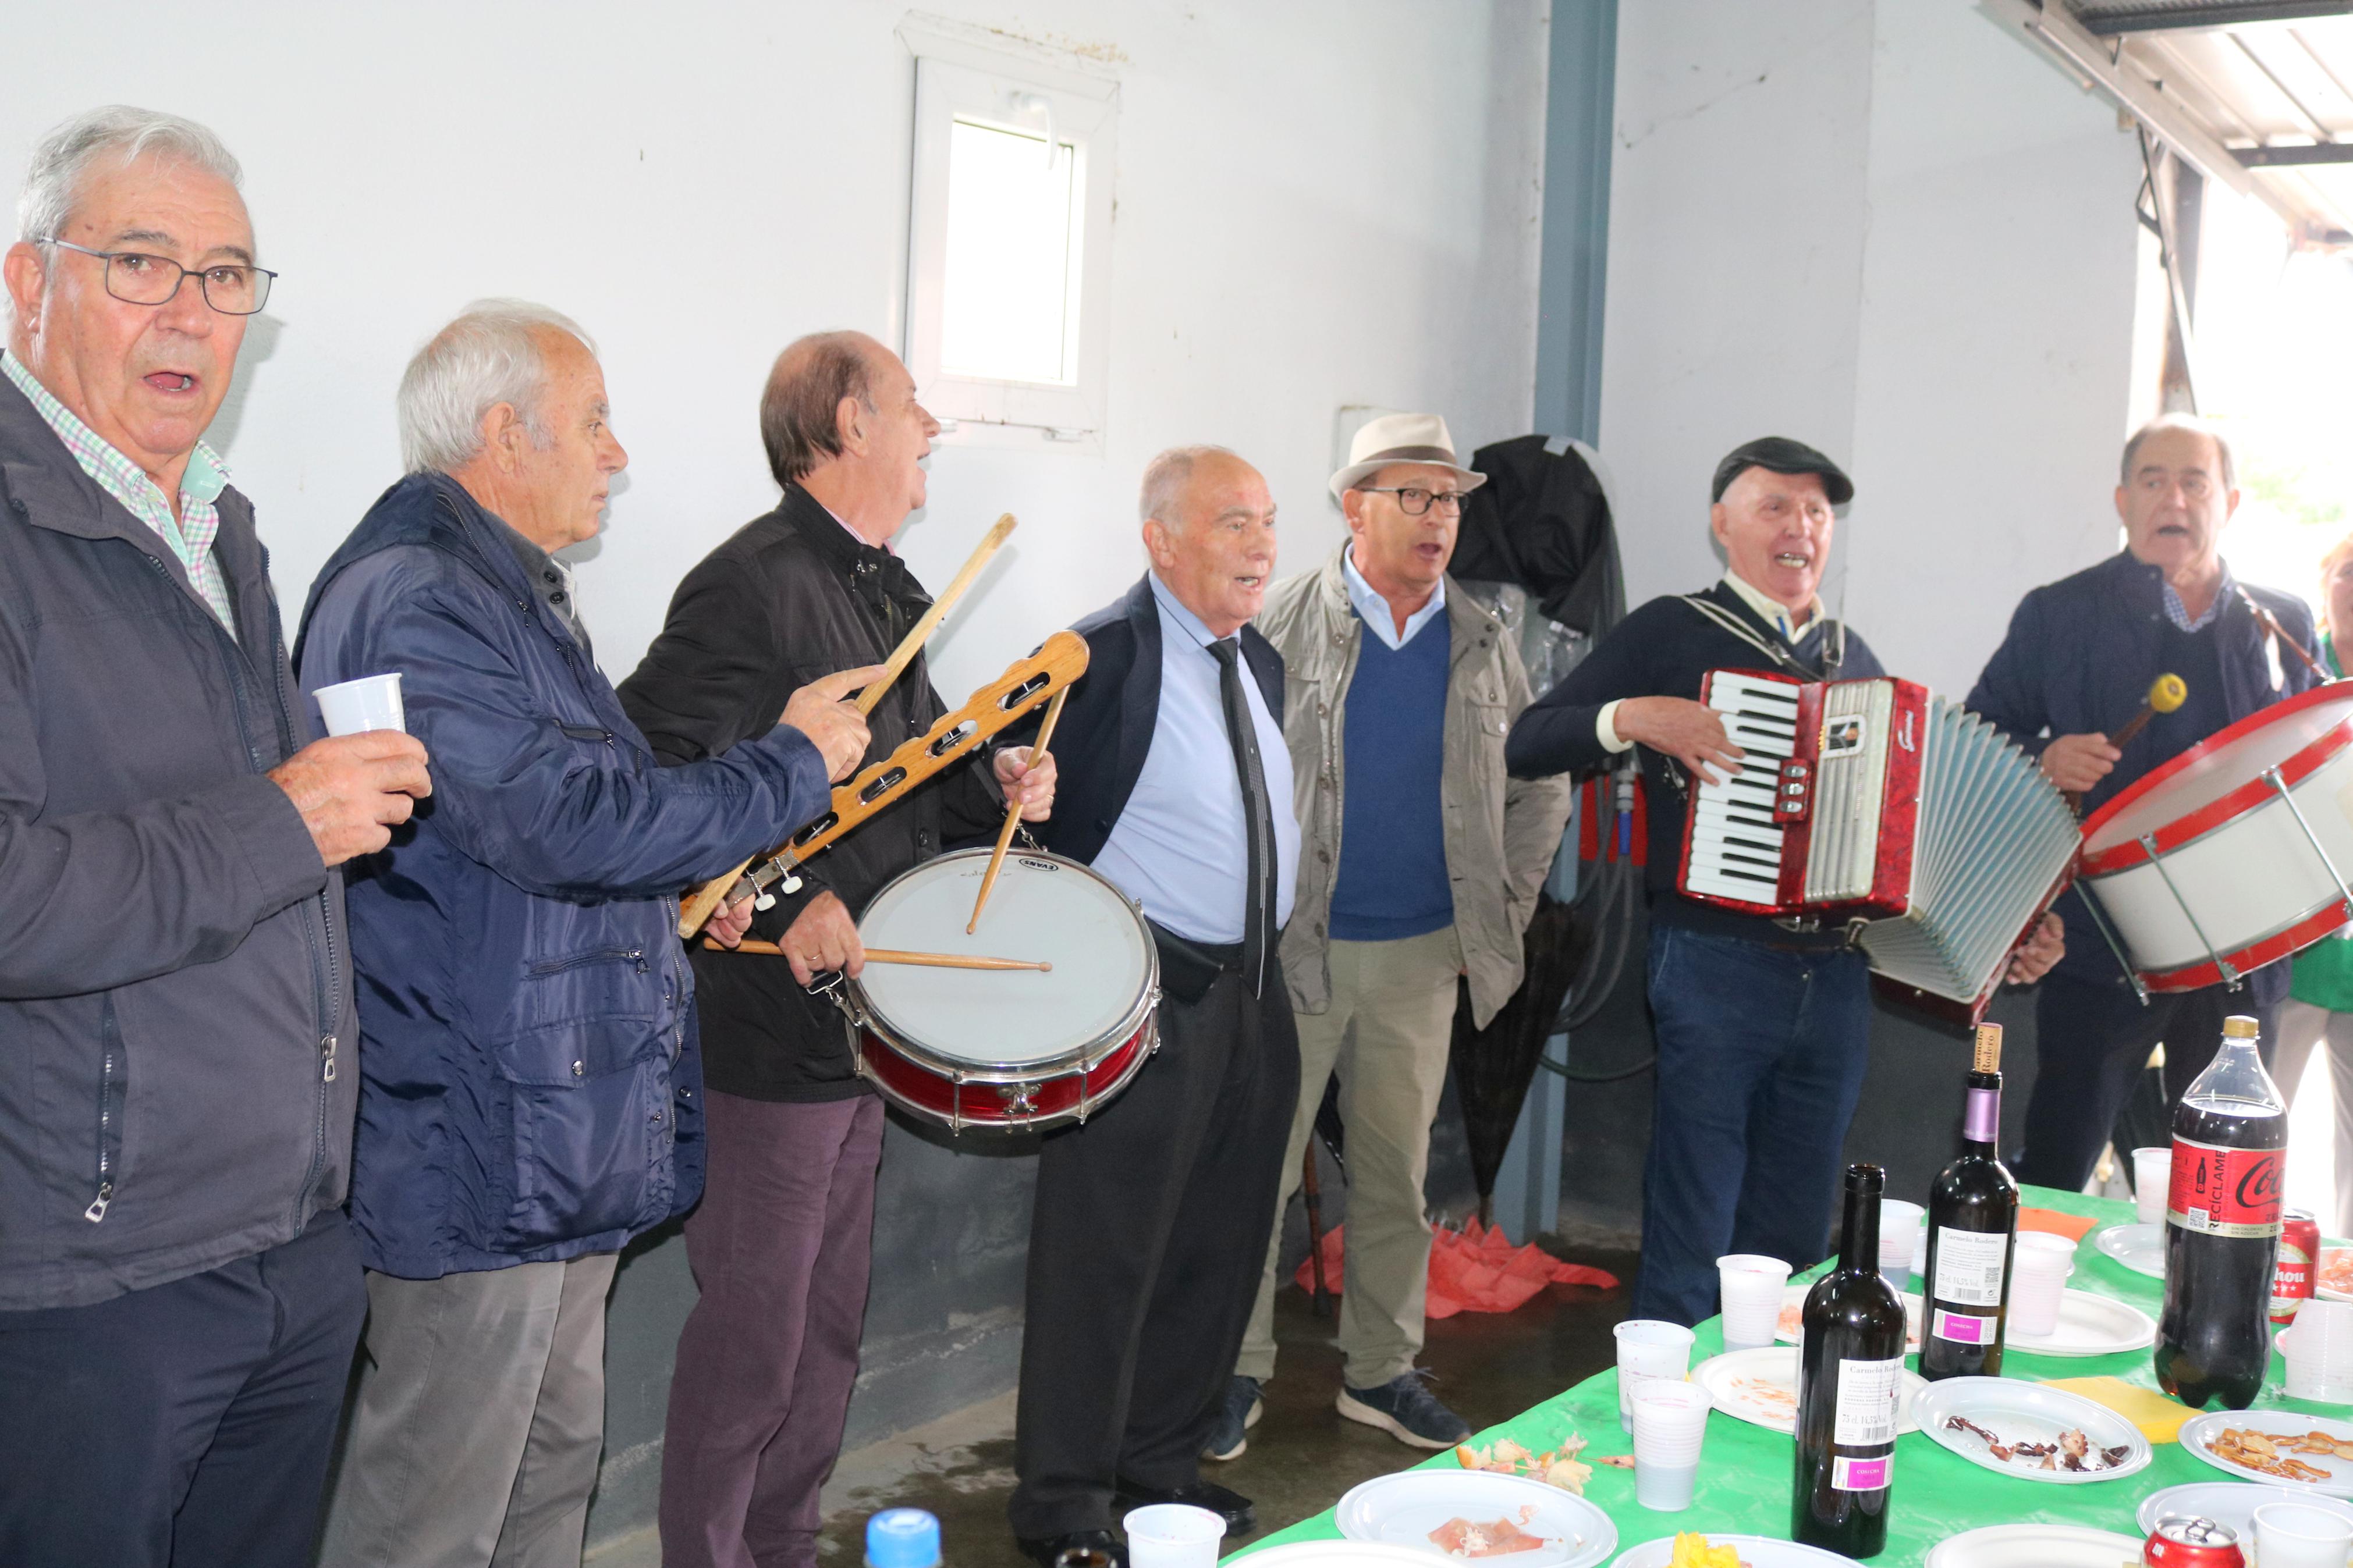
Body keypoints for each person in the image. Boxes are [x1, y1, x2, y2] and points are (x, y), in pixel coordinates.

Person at [302, 302, 868, 1568]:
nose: (617, 455)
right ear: (505, 435)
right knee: (437, 1510)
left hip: (548, 1127)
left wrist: (687, 886)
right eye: (596, 422)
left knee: (546, 1469)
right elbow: (557, 820)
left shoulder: (499, 594)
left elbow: (522, 842)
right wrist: (785, 766)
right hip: (476, 1134)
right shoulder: (417, 601)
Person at [0, 107, 433, 1566]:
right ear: (27, 283)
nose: (191, 310)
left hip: (293, 1238)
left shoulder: (218, 528)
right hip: (92, 1277)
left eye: (229, 276)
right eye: (141, 262)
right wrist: (280, 819)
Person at [616, 329, 1053, 1568]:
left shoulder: (892, 591)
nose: (929, 436)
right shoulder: (745, 584)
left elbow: (923, 795)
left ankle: (787, 1545)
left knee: (826, 1330)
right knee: (754, 1334)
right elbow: (650, 772)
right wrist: (783, 885)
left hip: (867, 1024)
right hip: (763, 1028)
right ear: (847, 423)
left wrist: (1004, 783)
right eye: (913, 410)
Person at [1504, 437, 2062, 1325]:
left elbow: (1903, 840)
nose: (1798, 525)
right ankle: (1665, 1392)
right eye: (1775, 506)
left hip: (1835, 974)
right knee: (1695, 1201)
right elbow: (1528, 739)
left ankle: (1770, 1391)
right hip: (1711, 958)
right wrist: (1627, 716)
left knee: (1798, 1216)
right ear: (1722, 524)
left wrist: (2002, 924)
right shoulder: (1669, 628)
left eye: (1815, 511)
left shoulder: (1855, 659)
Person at [1218, 413, 1572, 1457]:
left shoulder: (1482, 638)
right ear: (1352, 507)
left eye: (1450, 499)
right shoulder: (1278, 623)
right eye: (1411, 496)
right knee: (1260, 1174)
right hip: (1297, 954)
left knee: (1392, 1179)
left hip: (1422, 954)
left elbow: (1539, 778)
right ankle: (1228, 1374)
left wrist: (1496, 912)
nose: (1436, 519)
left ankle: (1378, 1372)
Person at [1006, 446, 1301, 1568]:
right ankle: (1063, 1503)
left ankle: (1157, 1475)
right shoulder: (1097, 658)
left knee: (1216, 1249)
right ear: (1160, 538)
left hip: (1252, 995)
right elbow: (1011, 803)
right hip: (1144, 998)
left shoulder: (1255, 661)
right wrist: (1009, 784)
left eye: (1268, 522)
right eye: (1233, 523)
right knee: (1105, 1255)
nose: (1262, 545)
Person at [1968, 413, 2320, 1193]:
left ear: (2227, 500)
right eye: (2153, 481)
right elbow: (1979, 735)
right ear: (2121, 500)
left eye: (2193, 481)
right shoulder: (2057, 613)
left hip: (2239, 942)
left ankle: (2199, 1315)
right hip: (2100, 937)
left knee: (2219, 1171)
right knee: (2059, 1158)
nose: (2174, 498)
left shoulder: (2279, 622)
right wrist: (2043, 757)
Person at [2275, 532, 2353, 1238]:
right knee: (2252, 1138)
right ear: (2325, 582)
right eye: (2349, 573)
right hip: (2291, 954)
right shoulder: (2291, 674)